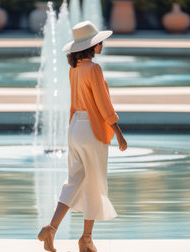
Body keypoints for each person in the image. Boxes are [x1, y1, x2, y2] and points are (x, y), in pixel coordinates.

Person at [37, 21, 127, 252]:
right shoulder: (94, 69)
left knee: (74, 180)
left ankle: (51, 228)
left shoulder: (74, 69)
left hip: (75, 127)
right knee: (94, 182)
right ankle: (86, 239)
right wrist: (119, 133)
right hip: (91, 129)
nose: (103, 44)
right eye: (99, 42)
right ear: (92, 46)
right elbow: (103, 105)